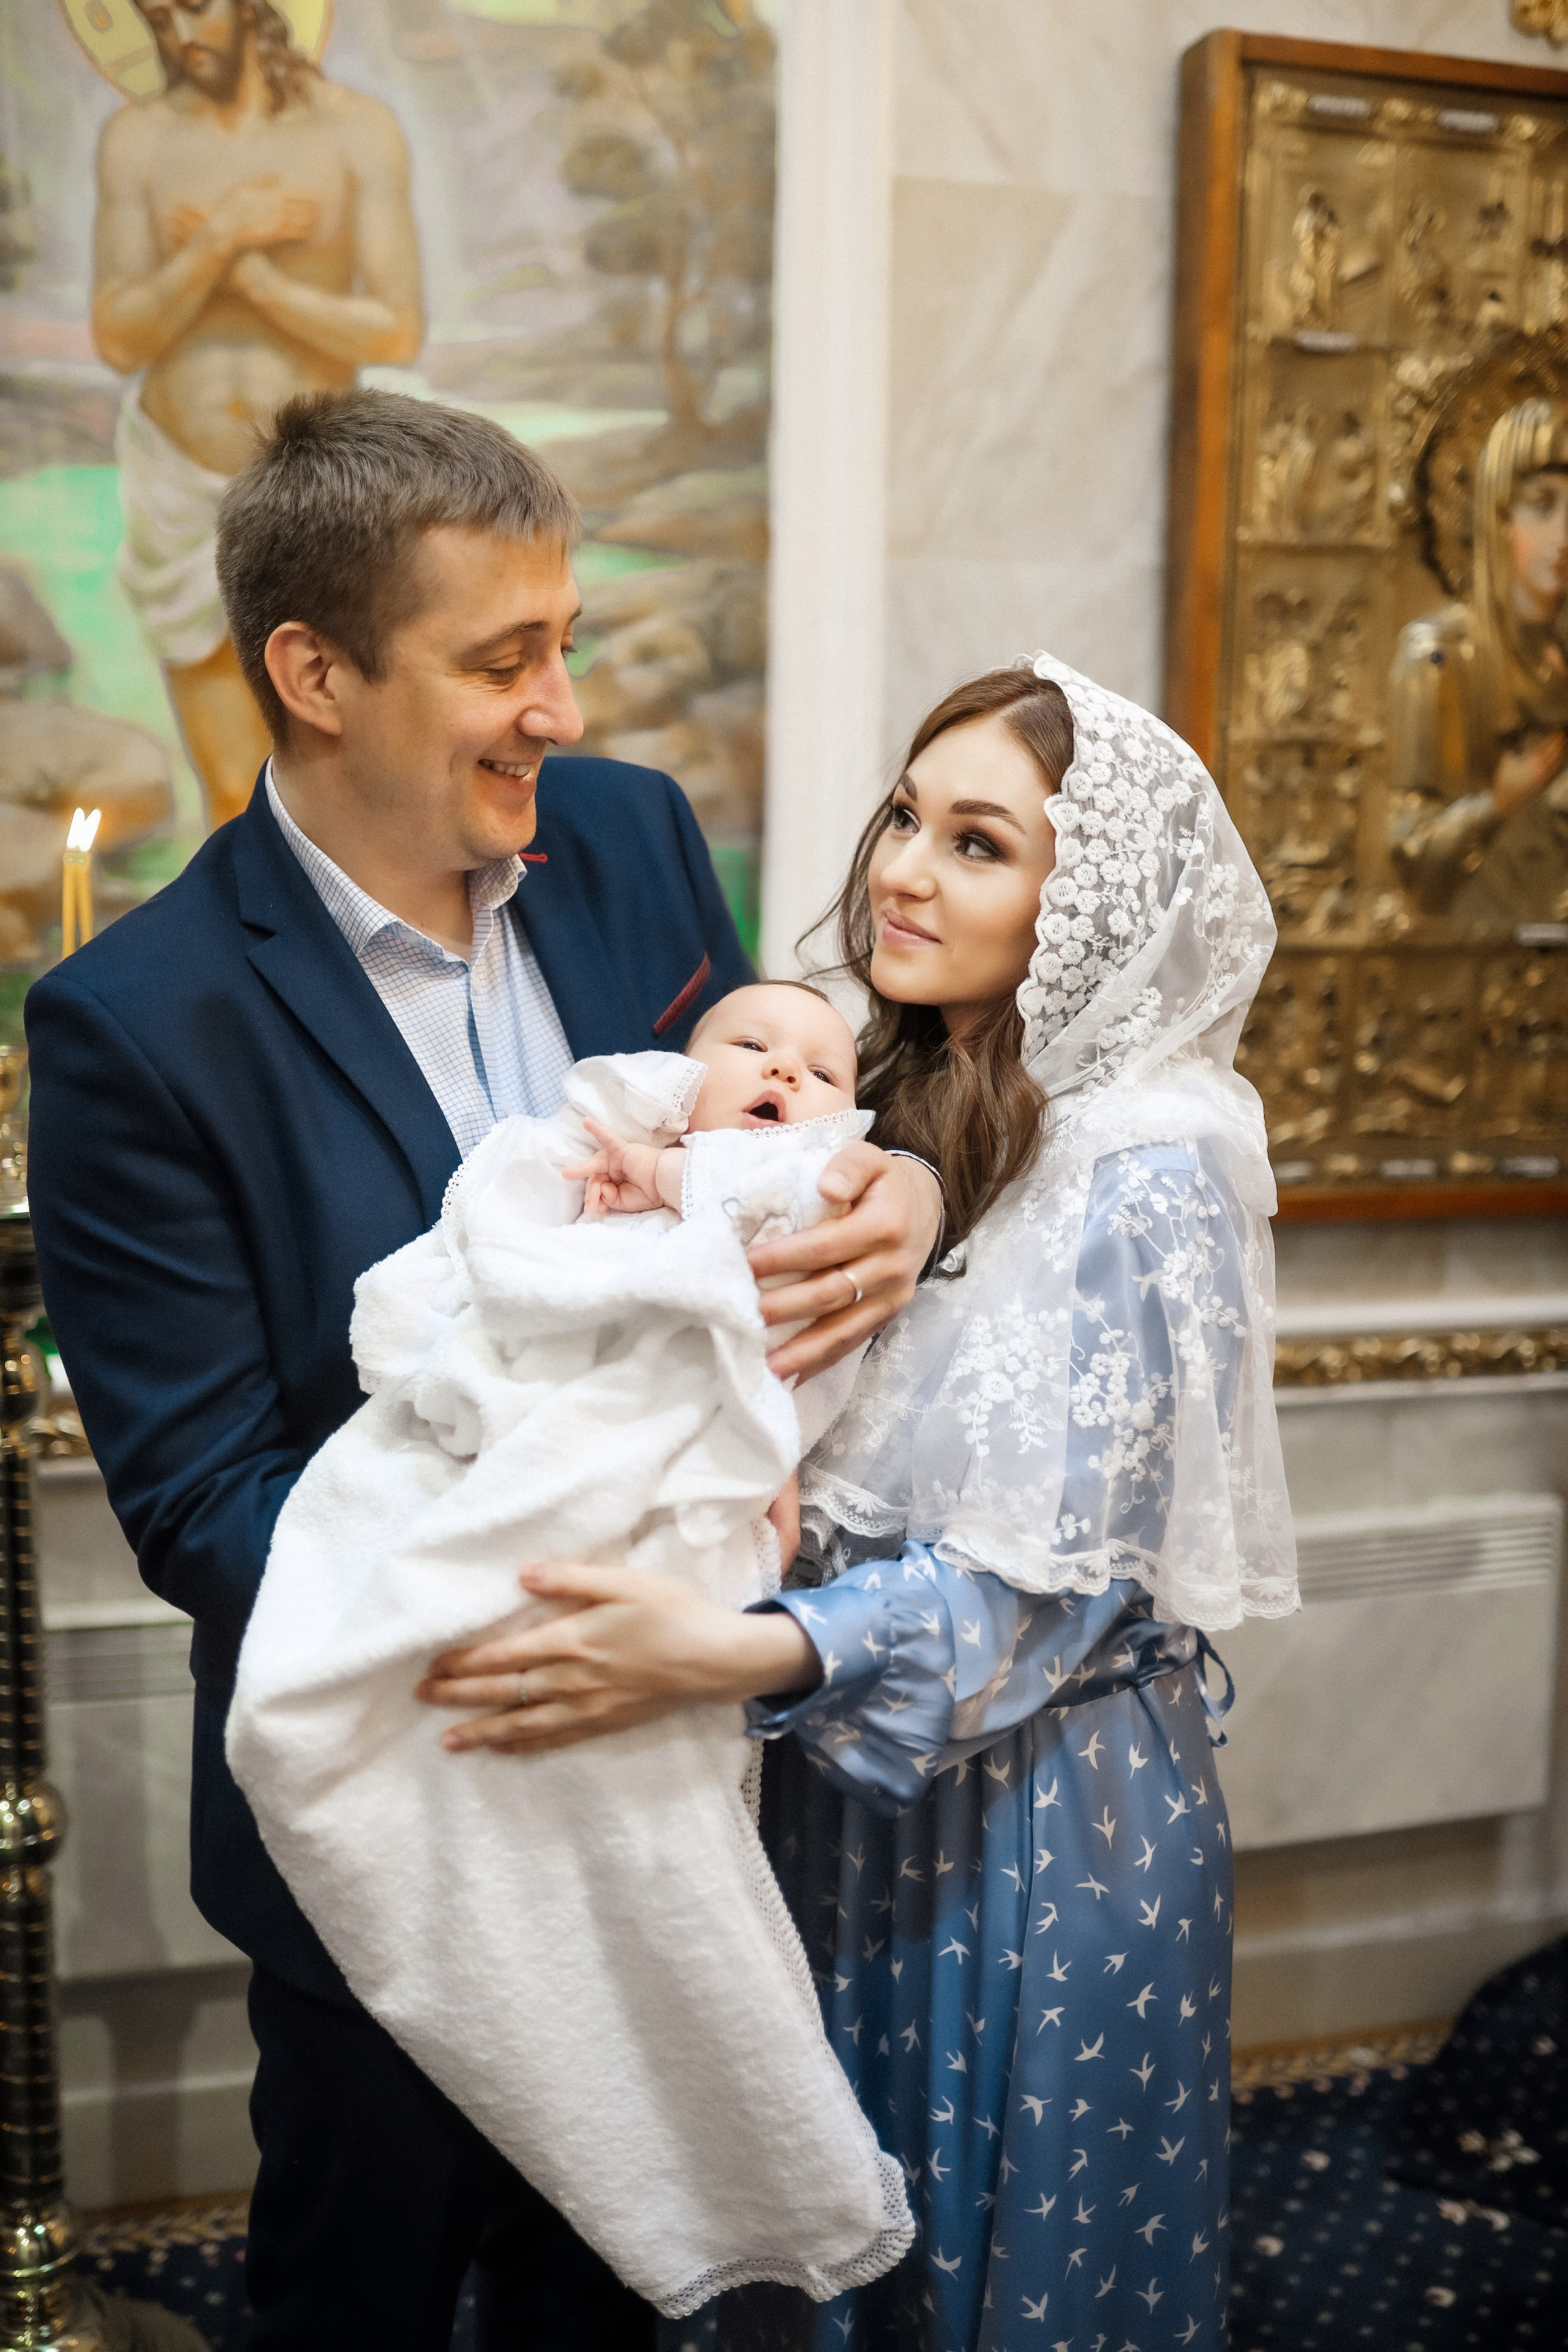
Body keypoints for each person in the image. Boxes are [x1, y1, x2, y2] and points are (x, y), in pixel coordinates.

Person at [23, 389, 941, 2352]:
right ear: (314, 673)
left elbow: (783, 1129)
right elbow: (202, 1503)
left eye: (567, 643)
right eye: (500, 659)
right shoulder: (135, 1021)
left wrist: (910, 1188)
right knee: (357, 2300)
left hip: (679, 1768)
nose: (559, 707)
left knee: (618, 2310)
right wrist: (539, 1614)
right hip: (400, 1814)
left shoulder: (626, 841)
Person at [420, 657, 1298, 2351]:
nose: (900, 868)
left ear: (1089, 906)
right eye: (906, 812)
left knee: (977, 2273)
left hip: (1040, 1829)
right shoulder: (873, 1097)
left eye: (980, 844)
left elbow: (1039, 1599)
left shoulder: (1154, 1165)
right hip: (831, 1790)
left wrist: (733, 1647)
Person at [228, 981, 916, 2318]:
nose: (783, 1069)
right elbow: (479, 1264)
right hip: (503, 1493)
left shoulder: (788, 1160)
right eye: (750, 1047)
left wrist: (851, 1183)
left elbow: (800, 1221)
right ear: (677, 1071)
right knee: (356, 2290)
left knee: (581, 2304)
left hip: (674, 1521)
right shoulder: (588, 1134)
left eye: (821, 1068)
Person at [92, 0, 423, 824]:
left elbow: (397, 326)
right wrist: (218, 245)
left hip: (317, 490)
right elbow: (119, 334)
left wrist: (260, 285)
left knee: (341, 788)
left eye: (195, 9)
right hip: (179, 481)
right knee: (230, 793)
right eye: (157, 18)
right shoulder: (139, 140)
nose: (180, 37)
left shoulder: (355, 132)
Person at [1389, 398, 1568, 932]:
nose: (1565, 534)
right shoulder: (1439, 656)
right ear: (1498, 514)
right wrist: (1498, 804)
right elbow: (1412, 855)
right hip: (1470, 951)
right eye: (1543, 505)